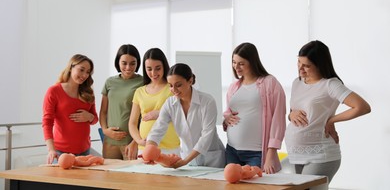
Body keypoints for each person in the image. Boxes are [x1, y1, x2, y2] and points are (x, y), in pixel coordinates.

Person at [285, 40, 371, 184]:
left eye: (306, 66)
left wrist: (331, 120)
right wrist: (290, 114)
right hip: (296, 154)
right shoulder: (297, 82)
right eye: (299, 62)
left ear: (320, 65)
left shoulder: (330, 84)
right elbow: (294, 110)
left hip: (320, 155)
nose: (301, 69)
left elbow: (362, 107)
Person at [146, 63, 226, 168]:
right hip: (188, 160)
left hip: (211, 159)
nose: (174, 90)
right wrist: (149, 152)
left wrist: (185, 161)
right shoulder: (170, 104)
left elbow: (207, 136)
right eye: (170, 85)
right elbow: (158, 129)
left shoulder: (207, 101)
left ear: (190, 81)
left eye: (178, 85)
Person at [223, 42, 286, 174]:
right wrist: (226, 119)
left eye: (241, 63)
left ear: (252, 62)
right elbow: (229, 111)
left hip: (257, 153)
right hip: (232, 150)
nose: (236, 67)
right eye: (234, 62)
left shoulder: (269, 83)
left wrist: (270, 155)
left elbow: (278, 118)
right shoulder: (234, 86)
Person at [42, 54, 98, 164]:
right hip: (60, 153)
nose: (84, 75)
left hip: (84, 151)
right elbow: (47, 122)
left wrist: (89, 116)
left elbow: (95, 119)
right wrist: (51, 150)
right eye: (81, 70)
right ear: (71, 67)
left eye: (88, 72)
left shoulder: (88, 93)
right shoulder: (54, 91)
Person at [127, 48, 180, 159]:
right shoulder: (139, 91)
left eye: (158, 68)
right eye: (149, 69)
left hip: (169, 147)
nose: (153, 73)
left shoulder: (172, 88)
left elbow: (183, 112)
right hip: (145, 148)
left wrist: (160, 113)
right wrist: (139, 141)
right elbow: (132, 122)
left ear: (164, 66)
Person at [99, 44, 143, 159]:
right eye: (124, 63)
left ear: (137, 63)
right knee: (110, 176)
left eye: (132, 63)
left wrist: (136, 141)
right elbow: (103, 111)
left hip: (132, 143)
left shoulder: (143, 82)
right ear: (118, 62)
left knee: (132, 176)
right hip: (110, 143)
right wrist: (105, 130)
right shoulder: (110, 82)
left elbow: (144, 115)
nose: (128, 67)